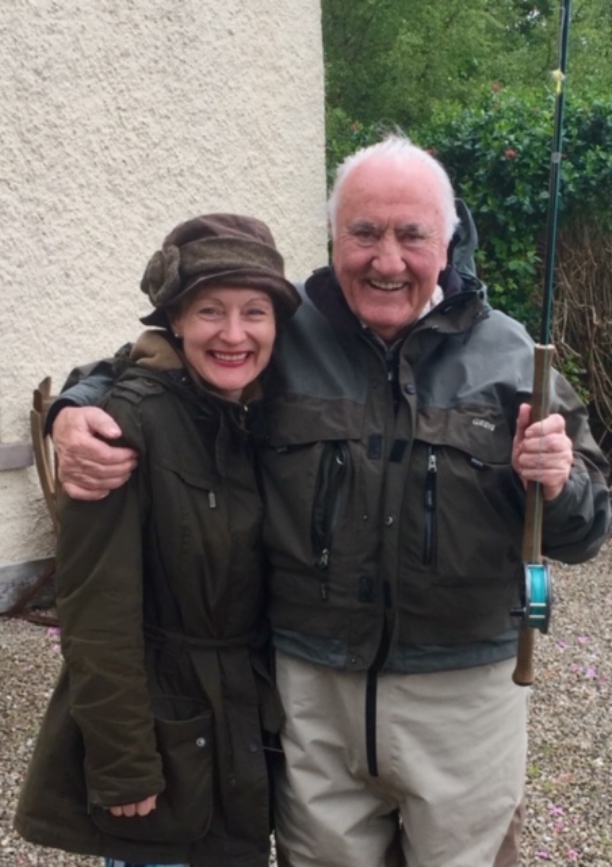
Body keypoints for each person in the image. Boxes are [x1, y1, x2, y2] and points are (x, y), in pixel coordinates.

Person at [42, 136, 610, 867]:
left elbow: (587, 529)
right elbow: (163, 363)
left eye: (412, 235)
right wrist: (76, 402)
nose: (387, 259)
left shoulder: (513, 358)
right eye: (365, 233)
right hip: (312, 696)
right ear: (335, 238)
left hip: (466, 699)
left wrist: (560, 481)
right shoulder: (283, 333)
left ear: (449, 241)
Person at [14, 213, 301, 867]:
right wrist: (122, 762)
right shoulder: (123, 427)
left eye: (254, 312)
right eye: (209, 311)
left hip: (246, 731)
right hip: (165, 742)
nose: (234, 334)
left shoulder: (269, 414)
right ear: (173, 319)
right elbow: (94, 613)